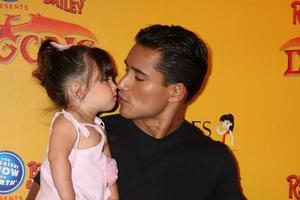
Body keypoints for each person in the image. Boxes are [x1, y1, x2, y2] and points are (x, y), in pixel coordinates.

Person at [27, 24, 245, 200]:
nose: (121, 83)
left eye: (139, 77)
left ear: (176, 92)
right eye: (126, 70)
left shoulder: (213, 159)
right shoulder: (92, 134)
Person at [32, 40, 119, 200]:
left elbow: (109, 168)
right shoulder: (67, 123)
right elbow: (57, 159)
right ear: (77, 90)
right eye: (106, 80)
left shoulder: (99, 127)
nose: (115, 86)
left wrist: (113, 196)